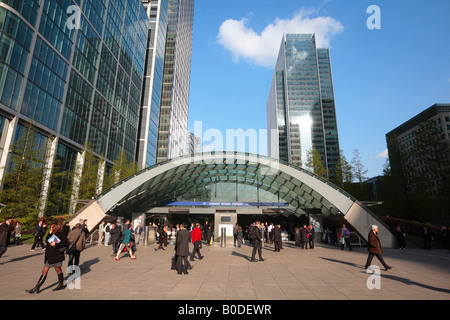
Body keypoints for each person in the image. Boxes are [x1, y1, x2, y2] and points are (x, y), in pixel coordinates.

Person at [26, 223, 68, 294]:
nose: (50, 228)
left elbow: (65, 243)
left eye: (51, 227)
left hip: (57, 255)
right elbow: (47, 241)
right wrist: (49, 233)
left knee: (57, 269)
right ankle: (37, 287)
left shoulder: (61, 234)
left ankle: (60, 284)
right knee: (45, 270)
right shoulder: (52, 234)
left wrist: (55, 244)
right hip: (50, 255)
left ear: (55, 228)